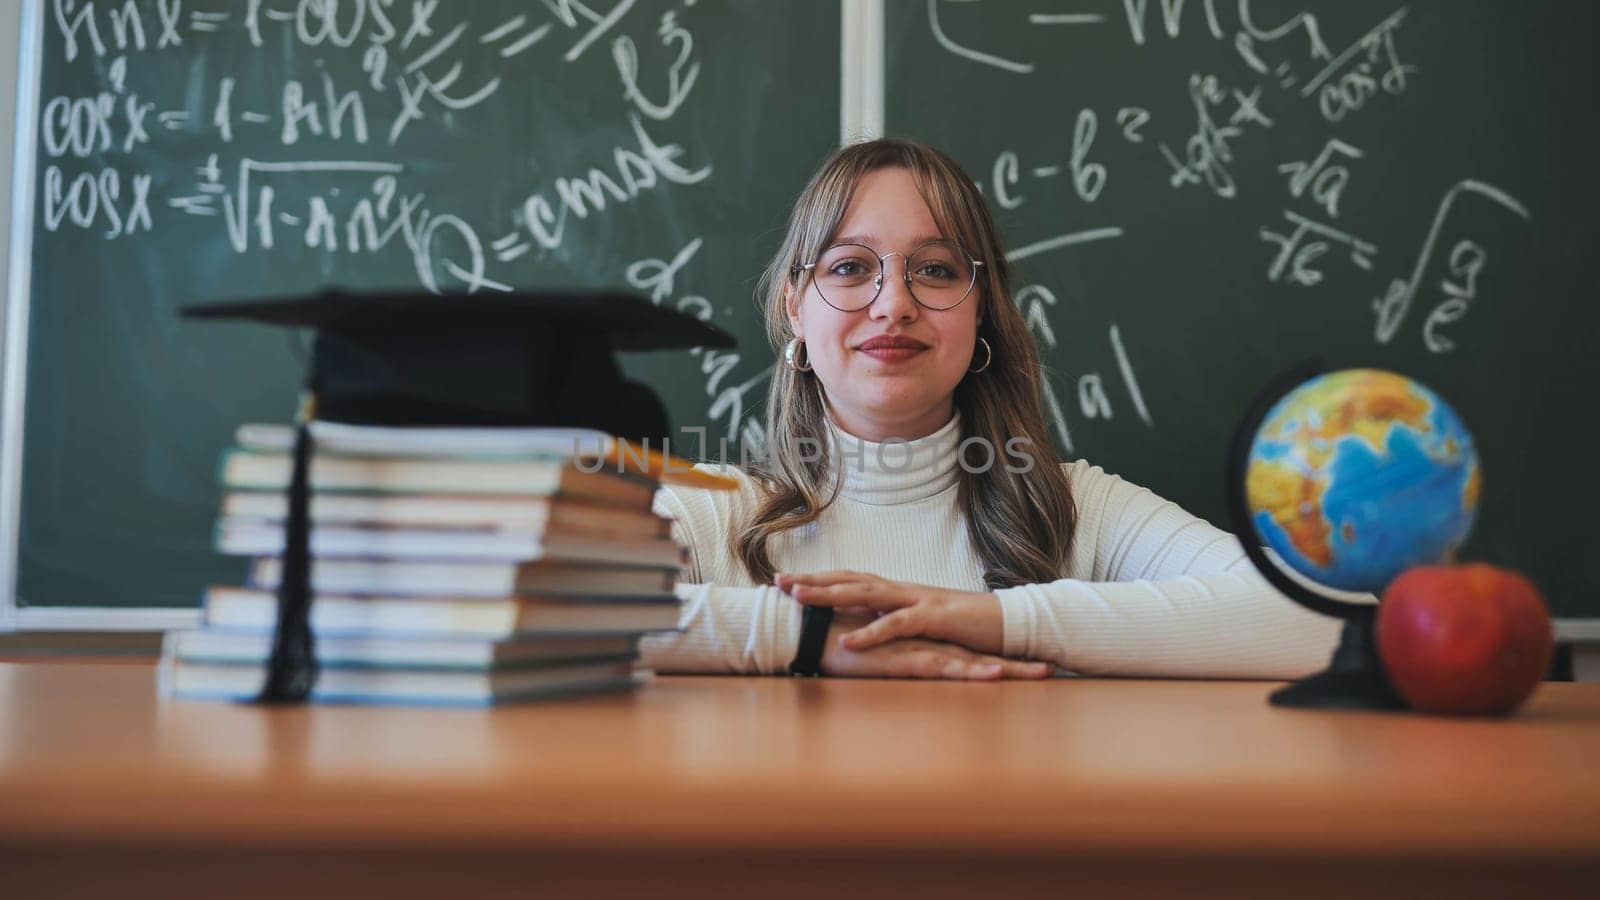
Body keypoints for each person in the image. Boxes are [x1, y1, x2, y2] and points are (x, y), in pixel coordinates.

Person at [640, 139, 1340, 680]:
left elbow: (1329, 621)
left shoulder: (1074, 512)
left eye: (937, 269)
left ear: (981, 312)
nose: (894, 304)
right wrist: (808, 638)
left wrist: (995, 620)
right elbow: (540, 615)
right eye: (850, 267)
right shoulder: (713, 516)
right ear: (796, 304)